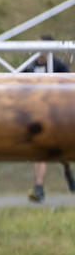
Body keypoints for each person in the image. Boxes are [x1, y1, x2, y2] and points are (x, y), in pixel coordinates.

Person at [26, 41, 74, 202]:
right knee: (40, 152)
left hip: (57, 116)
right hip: (38, 115)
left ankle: (68, 172)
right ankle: (39, 188)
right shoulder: (30, 67)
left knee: (61, 153)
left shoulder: (58, 66)